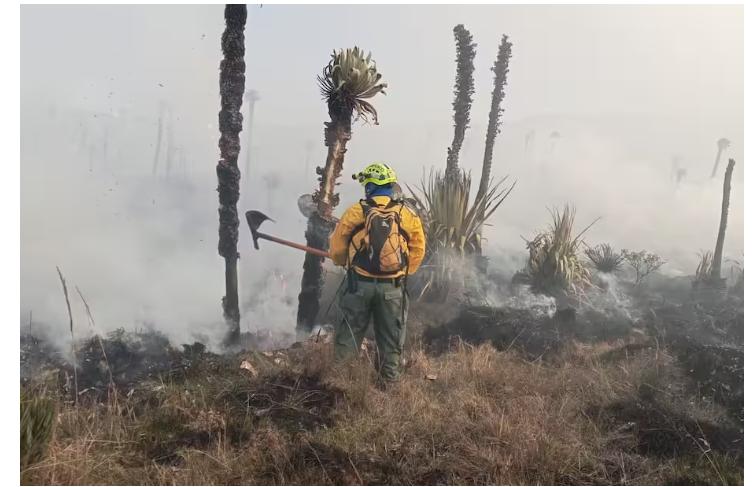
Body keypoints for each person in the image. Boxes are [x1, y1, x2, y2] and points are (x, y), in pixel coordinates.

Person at [329, 163, 426, 384]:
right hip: (392, 289)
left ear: (370, 187)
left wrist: (346, 262)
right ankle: (388, 387)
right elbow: (418, 250)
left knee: (348, 337)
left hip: (358, 286)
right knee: (391, 340)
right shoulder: (406, 214)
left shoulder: (355, 211)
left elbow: (336, 250)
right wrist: (400, 273)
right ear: (391, 187)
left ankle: (340, 387)